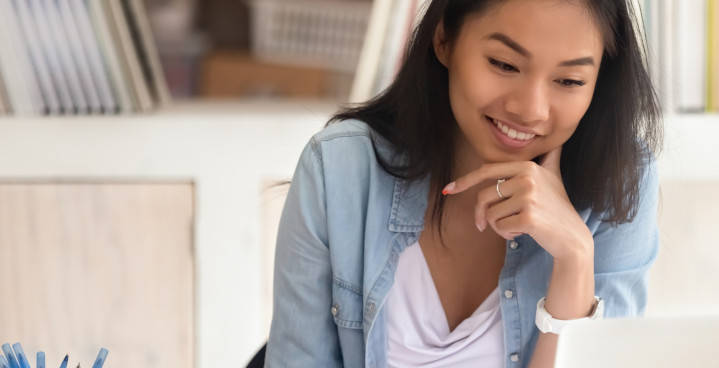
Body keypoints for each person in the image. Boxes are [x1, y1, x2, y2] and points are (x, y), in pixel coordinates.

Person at [265, 0, 662, 366]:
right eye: (504, 64)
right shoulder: (340, 170)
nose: (531, 109)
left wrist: (575, 258)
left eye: (570, 81)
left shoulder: (619, 180)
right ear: (444, 40)